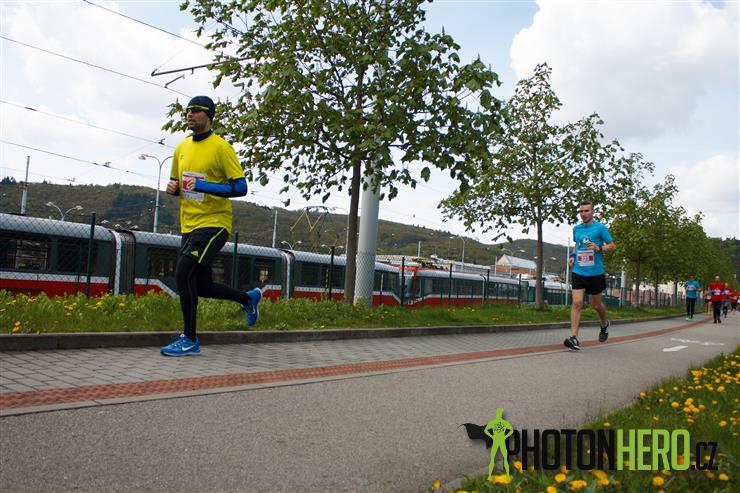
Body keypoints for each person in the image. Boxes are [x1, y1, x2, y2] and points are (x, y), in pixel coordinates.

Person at [160, 96, 262, 357]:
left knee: (182, 273)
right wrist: (173, 188)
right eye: (188, 111)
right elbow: (177, 183)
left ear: (209, 115)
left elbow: (240, 187)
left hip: (214, 223)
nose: (190, 114)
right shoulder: (181, 148)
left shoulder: (221, 148)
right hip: (188, 225)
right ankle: (248, 298)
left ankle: (189, 339)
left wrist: (203, 186)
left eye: (196, 111)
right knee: (201, 285)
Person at [565, 200, 616, 350]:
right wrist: (573, 256)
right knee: (577, 303)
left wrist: (598, 247)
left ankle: (604, 324)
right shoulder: (576, 229)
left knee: (596, 305)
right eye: (581, 211)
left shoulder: (600, 228)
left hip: (596, 273)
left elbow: (612, 245)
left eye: (586, 211)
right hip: (579, 271)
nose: (583, 214)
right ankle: (574, 338)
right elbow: (577, 245)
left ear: (592, 212)